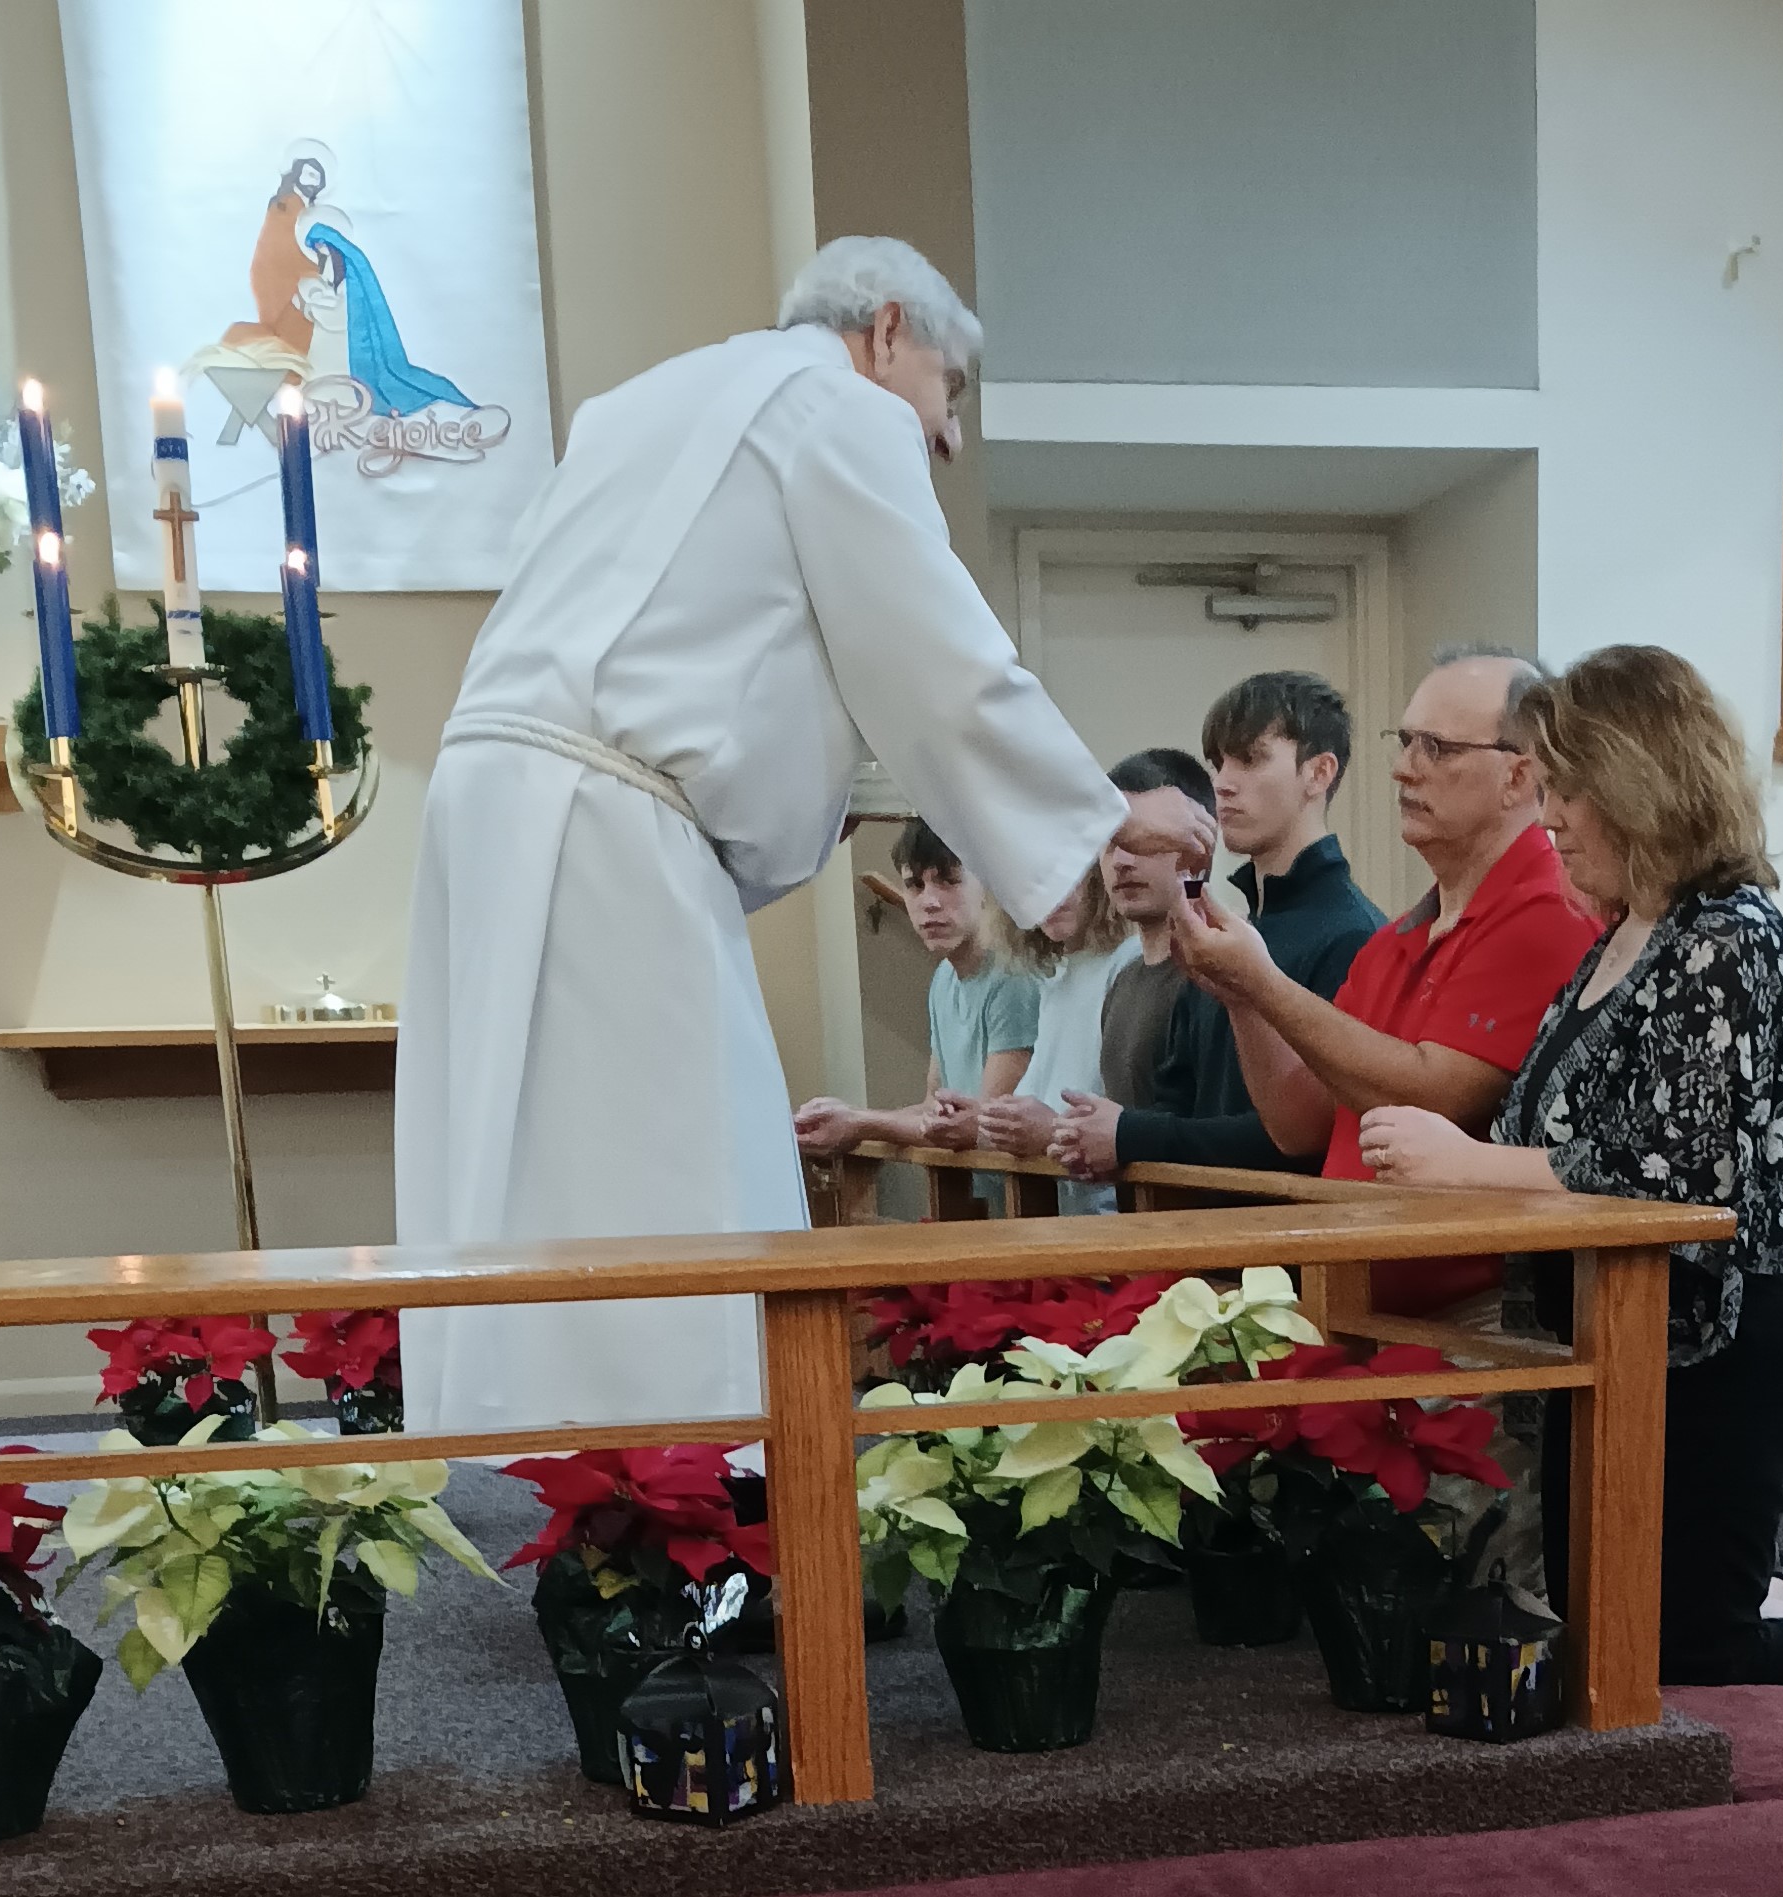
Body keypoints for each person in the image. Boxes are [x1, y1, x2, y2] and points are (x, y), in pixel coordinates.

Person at [395, 236, 1213, 1433]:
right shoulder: (836, 404)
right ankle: (688, 1494)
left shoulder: (638, 408)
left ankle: (523, 1444)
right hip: (606, 826)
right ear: (886, 332)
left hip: (497, 801)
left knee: (527, 1177)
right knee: (681, 1181)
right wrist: (1100, 815)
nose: (950, 437)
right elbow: (935, 655)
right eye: (952, 392)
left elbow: (743, 657)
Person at [1358, 645, 1783, 1691]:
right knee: (1606, 1625)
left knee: (1687, 1650)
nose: (1552, 816)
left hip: (1722, 1338)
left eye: (1569, 787)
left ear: (1638, 779)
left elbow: (1683, 1176)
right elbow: (1565, 1119)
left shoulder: (1729, 935)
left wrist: (1469, 1164)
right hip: (1616, 1330)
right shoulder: (1624, 929)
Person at [1170, 647, 1600, 1313]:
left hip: (1470, 1318)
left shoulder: (1548, 912)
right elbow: (1299, 1125)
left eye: (1436, 748)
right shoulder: (1394, 939)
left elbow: (1436, 1097)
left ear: (1519, 775)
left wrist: (1266, 983)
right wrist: (1243, 998)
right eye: (1404, 743)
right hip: (1361, 1303)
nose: (1403, 768)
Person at [1052, 675, 1382, 1180]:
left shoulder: (1354, 937)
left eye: (1250, 760)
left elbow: (1308, 1138)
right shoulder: (1225, 936)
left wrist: (1128, 1134)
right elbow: (1179, 1103)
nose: (1223, 783)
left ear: (1318, 773)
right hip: (1197, 1242)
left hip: (1290, 1246)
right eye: (1218, 763)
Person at [793, 821, 1038, 1154]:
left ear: (987, 885)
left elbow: (980, 1125)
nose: (929, 902)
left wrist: (859, 1122)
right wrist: (851, 1121)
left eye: (948, 881)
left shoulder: (1013, 976)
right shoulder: (944, 980)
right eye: (914, 885)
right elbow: (931, 1109)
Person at [960, 869, 1138, 1211]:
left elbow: (1132, 1119)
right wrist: (983, 1120)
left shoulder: (1128, 962)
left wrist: (1048, 1129)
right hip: (1060, 1215)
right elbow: (1036, 1103)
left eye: (1068, 872)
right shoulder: (1058, 975)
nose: (1050, 892)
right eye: (1032, 876)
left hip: (1113, 1220)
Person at [1092, 749, 1219, 1117]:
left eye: (1143, 842)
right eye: (1111, 841)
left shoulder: (1217, 975)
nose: (1122, 860)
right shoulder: (1123, 980)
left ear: (1198, 843)